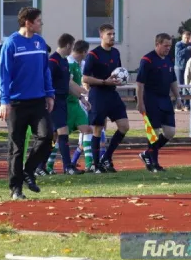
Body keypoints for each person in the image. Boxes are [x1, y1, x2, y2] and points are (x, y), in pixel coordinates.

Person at [0, 7, 54, 200]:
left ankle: (29, 171)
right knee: (17, 147)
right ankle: (16, 188)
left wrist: (49, 94)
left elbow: (45, 70)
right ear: (28, 23)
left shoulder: (40, 42)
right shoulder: (11, 43)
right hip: (16, 103)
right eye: (39, 21)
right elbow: (3, 74)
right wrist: (4, 101)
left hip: (38, 100)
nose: (41, 24)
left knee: (47, 136)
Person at [82, 24, 130, 173]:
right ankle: (96, 165)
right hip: (98, 94)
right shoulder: (94, 54)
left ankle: (106, 158)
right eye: (109, 34)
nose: (112, 37)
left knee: (124, 126)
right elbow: (85, 77)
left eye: (114, 34)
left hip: (112, 93)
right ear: (101, 36)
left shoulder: (116, 52)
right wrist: (104, 81)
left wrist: (119, 80)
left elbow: (119, 72)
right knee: (97, 129)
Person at [41, 34, 89, 176]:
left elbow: (67, 85)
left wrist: (81, 97)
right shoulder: (53, 61)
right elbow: (46, 83)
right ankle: (68, 166)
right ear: (68, 45)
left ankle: (40, 166)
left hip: (62, 102)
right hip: (54, 102)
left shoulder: (64, 62)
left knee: (54, 136)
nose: (72, 49)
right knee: (62, 132)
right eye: (72, 46)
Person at [136, 33, 182, 172]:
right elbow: (139, 83)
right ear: (157, 44)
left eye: (170, 45)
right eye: (165, 45)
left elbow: (173, 80)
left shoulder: (169, 59)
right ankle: (154, 164)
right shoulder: (147, 60)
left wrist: (178, 97)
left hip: (165, 99)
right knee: (154, 132)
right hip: (151, 99)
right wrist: (140, 102)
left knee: (170, 132)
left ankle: (147, 154)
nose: (168, 48)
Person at [66, 40, 94, 170]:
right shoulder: (69, 63)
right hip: (66, 104)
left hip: (75, 103)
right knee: (60, 136)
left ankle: (89, 163)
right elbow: (68, 82)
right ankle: (46, 165)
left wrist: (81, 98)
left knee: (87, 129)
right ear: (84, 52)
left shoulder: (77, 64)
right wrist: (81, 90)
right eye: (86, 52)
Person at [174, 31, 191, 111]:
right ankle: (179, 105)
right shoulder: (178, 44)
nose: (186, 39)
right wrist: (187, 49)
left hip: (188, 68)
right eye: (185, 38)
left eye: (188, 38)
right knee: (179, 86)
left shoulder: (190, 45)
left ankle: (186, 105)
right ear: (182, 37)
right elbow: (178, 54)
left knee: (186, 86)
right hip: (179, 68)